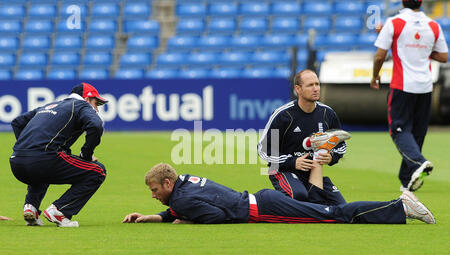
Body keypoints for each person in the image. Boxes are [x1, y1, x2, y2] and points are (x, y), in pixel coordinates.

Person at [122, 162, 435, 225]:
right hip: (262, 199)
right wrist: (153, 217)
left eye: (153, 192)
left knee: (335, 216)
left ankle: (400, 207)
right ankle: (399, 207)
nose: (153, 196)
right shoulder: (185, 182)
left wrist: (187, 221)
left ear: (166, 184)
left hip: (263, 210)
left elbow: (215, 216)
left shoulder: (182, 199)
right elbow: (183, 206)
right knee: (330, 211)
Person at [370, 0, 448, 192]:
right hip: (425, 87)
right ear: (421, 3)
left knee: (398, 129)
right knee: (417, 133)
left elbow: (380, 56)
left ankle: (418, 162)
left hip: (402, 86)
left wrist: (375, 76)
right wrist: (421, 49)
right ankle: (407, 180)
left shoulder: (394, 22)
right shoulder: (433, 25)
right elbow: (444, 56)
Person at [9, 83, 108, 227]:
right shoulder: (81, 106)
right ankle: (60, 211)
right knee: (98, 171)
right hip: (43, 160)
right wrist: (86, 154)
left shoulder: (50, 105)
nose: (97, 109)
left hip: (16, 163)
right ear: (87, 99)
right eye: (96, 103)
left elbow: (17, 122)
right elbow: (96, 125)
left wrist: (28, 148)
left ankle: (31, 207)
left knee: (41, 171)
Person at [257, 69, 348, 206]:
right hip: (284, 171)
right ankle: (269, 202)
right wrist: (293, 162)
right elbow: (263, 150)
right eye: (310, 85)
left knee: (341, 207)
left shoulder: (327, 113)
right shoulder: (283, 115)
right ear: (298, 89)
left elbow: (341, 145)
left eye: (317, 84)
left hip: (313, 174)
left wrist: (332, 157)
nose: (316, 88)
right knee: (299, 197)